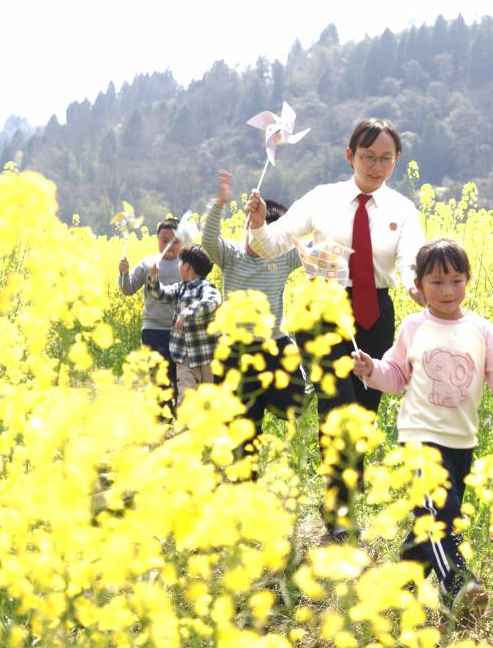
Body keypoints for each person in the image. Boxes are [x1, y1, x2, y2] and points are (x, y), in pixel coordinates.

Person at [351, 238, 493, 625]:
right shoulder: (414, 327)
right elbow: (395, 375)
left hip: (461, 440)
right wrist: (372, 368)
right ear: (419, 285)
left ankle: (402, 581)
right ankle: (458, 583)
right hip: (419, 436)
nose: (447, 291)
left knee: (436, 514)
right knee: (439, 512)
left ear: (468, 281)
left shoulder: (481, 330)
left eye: (456, 281)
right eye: (437, 282)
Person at [246, 118, 425, 539]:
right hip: (322, 310)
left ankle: (345, 493)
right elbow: (269, 244)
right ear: (350, 156)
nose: (376, 166)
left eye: (385, 159)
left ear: (396, 160)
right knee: (338, 407)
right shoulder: (321, 199)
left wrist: (415, 284)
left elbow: (409, 258)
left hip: (375, 314)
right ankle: (338, 513)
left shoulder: (402, 209)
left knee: (362, 414)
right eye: (367, 157)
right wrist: (257, 223)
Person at [202, 169, 308, 474]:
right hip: (236, 350)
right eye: (252, 224)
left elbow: (313, 251)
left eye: (263, 229)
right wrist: (219, 203)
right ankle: (245, 479)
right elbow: (208, 240)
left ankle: (276, 393)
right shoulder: (231, 255)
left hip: (274, 345)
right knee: (242, 423)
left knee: (294, 403)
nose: (255, 233)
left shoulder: (283, 257)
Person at [118, 217, 182, 413]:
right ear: (157, 240)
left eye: (175, 241)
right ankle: (161, 423)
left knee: (181, 379)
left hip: (182, 332)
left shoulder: (188, 264)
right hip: (153, 330)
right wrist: (124, 273)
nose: (169, 245)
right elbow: (128, 289)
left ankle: (181, 423)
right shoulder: (147, 263)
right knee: (158, 380)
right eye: (164, 240)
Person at [146, 245, 222, 408]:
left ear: (187, 266)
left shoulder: (207, 288)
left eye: (180, 263)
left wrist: (186, 313)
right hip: (184, 356)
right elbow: (161, 294)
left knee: (207, 401)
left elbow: (211, 302)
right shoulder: (180, 288)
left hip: (206, 355)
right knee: (186, 396)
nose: (179, 266)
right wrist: (154, 278)